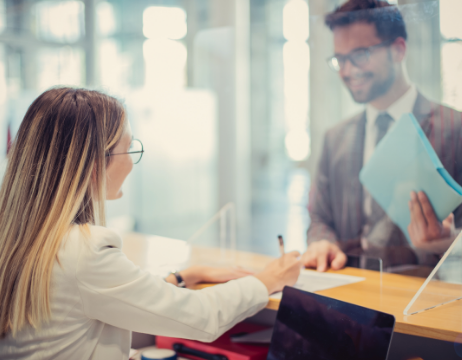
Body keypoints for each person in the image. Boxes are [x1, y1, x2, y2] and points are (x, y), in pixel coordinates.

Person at [0, 88, 301, 359]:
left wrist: (182, 277)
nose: (131, 162)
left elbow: (97, 295)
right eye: (128, 149)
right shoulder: (84, 251)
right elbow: (200, 316)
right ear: (93, 163)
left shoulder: (22, 236)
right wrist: (270, 279)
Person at [302, 0, 462, 272]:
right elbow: (320, 218)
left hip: (426, 297)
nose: (347, 71)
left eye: (359, 55)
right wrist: (322, 242)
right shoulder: (335, 138)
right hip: (349, 292)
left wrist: (450, 241)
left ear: (398, 50)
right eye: (341, 60)